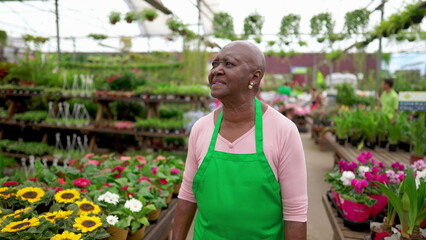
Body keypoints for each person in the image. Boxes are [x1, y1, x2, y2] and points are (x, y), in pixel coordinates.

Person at [172, 41, 307, 240]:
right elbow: (187, 195)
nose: (217, 70)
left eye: (228, 64)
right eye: (215, 64)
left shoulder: (283, 131)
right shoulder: (201, 128)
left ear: (255, 77)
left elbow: (295, 214)